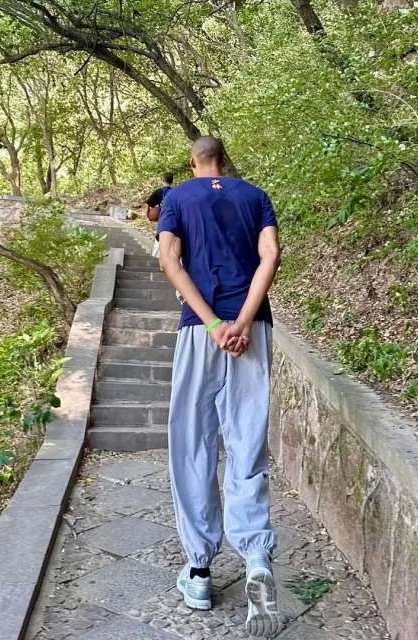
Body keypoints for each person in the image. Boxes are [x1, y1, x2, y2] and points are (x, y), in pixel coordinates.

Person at [157, 137, 282, 637]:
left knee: (192, 443)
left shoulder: (177, 198)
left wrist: (212, 324)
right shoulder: (255, 196)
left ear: (193, 162)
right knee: (247, 442)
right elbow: (270, 257)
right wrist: (244, 321)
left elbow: (169, 262)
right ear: (224, 161)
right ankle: (256, 560)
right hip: (253, 331)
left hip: (199, 331)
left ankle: (199, 572)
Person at [146, 171, 174, 257]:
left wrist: (149, 215)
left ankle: (157, 258)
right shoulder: (176, 192)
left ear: (163, 180)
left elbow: (149, 204)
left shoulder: (158, 192)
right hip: (174, 221)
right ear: (172, 181)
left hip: (162, 221)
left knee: (159, 242)